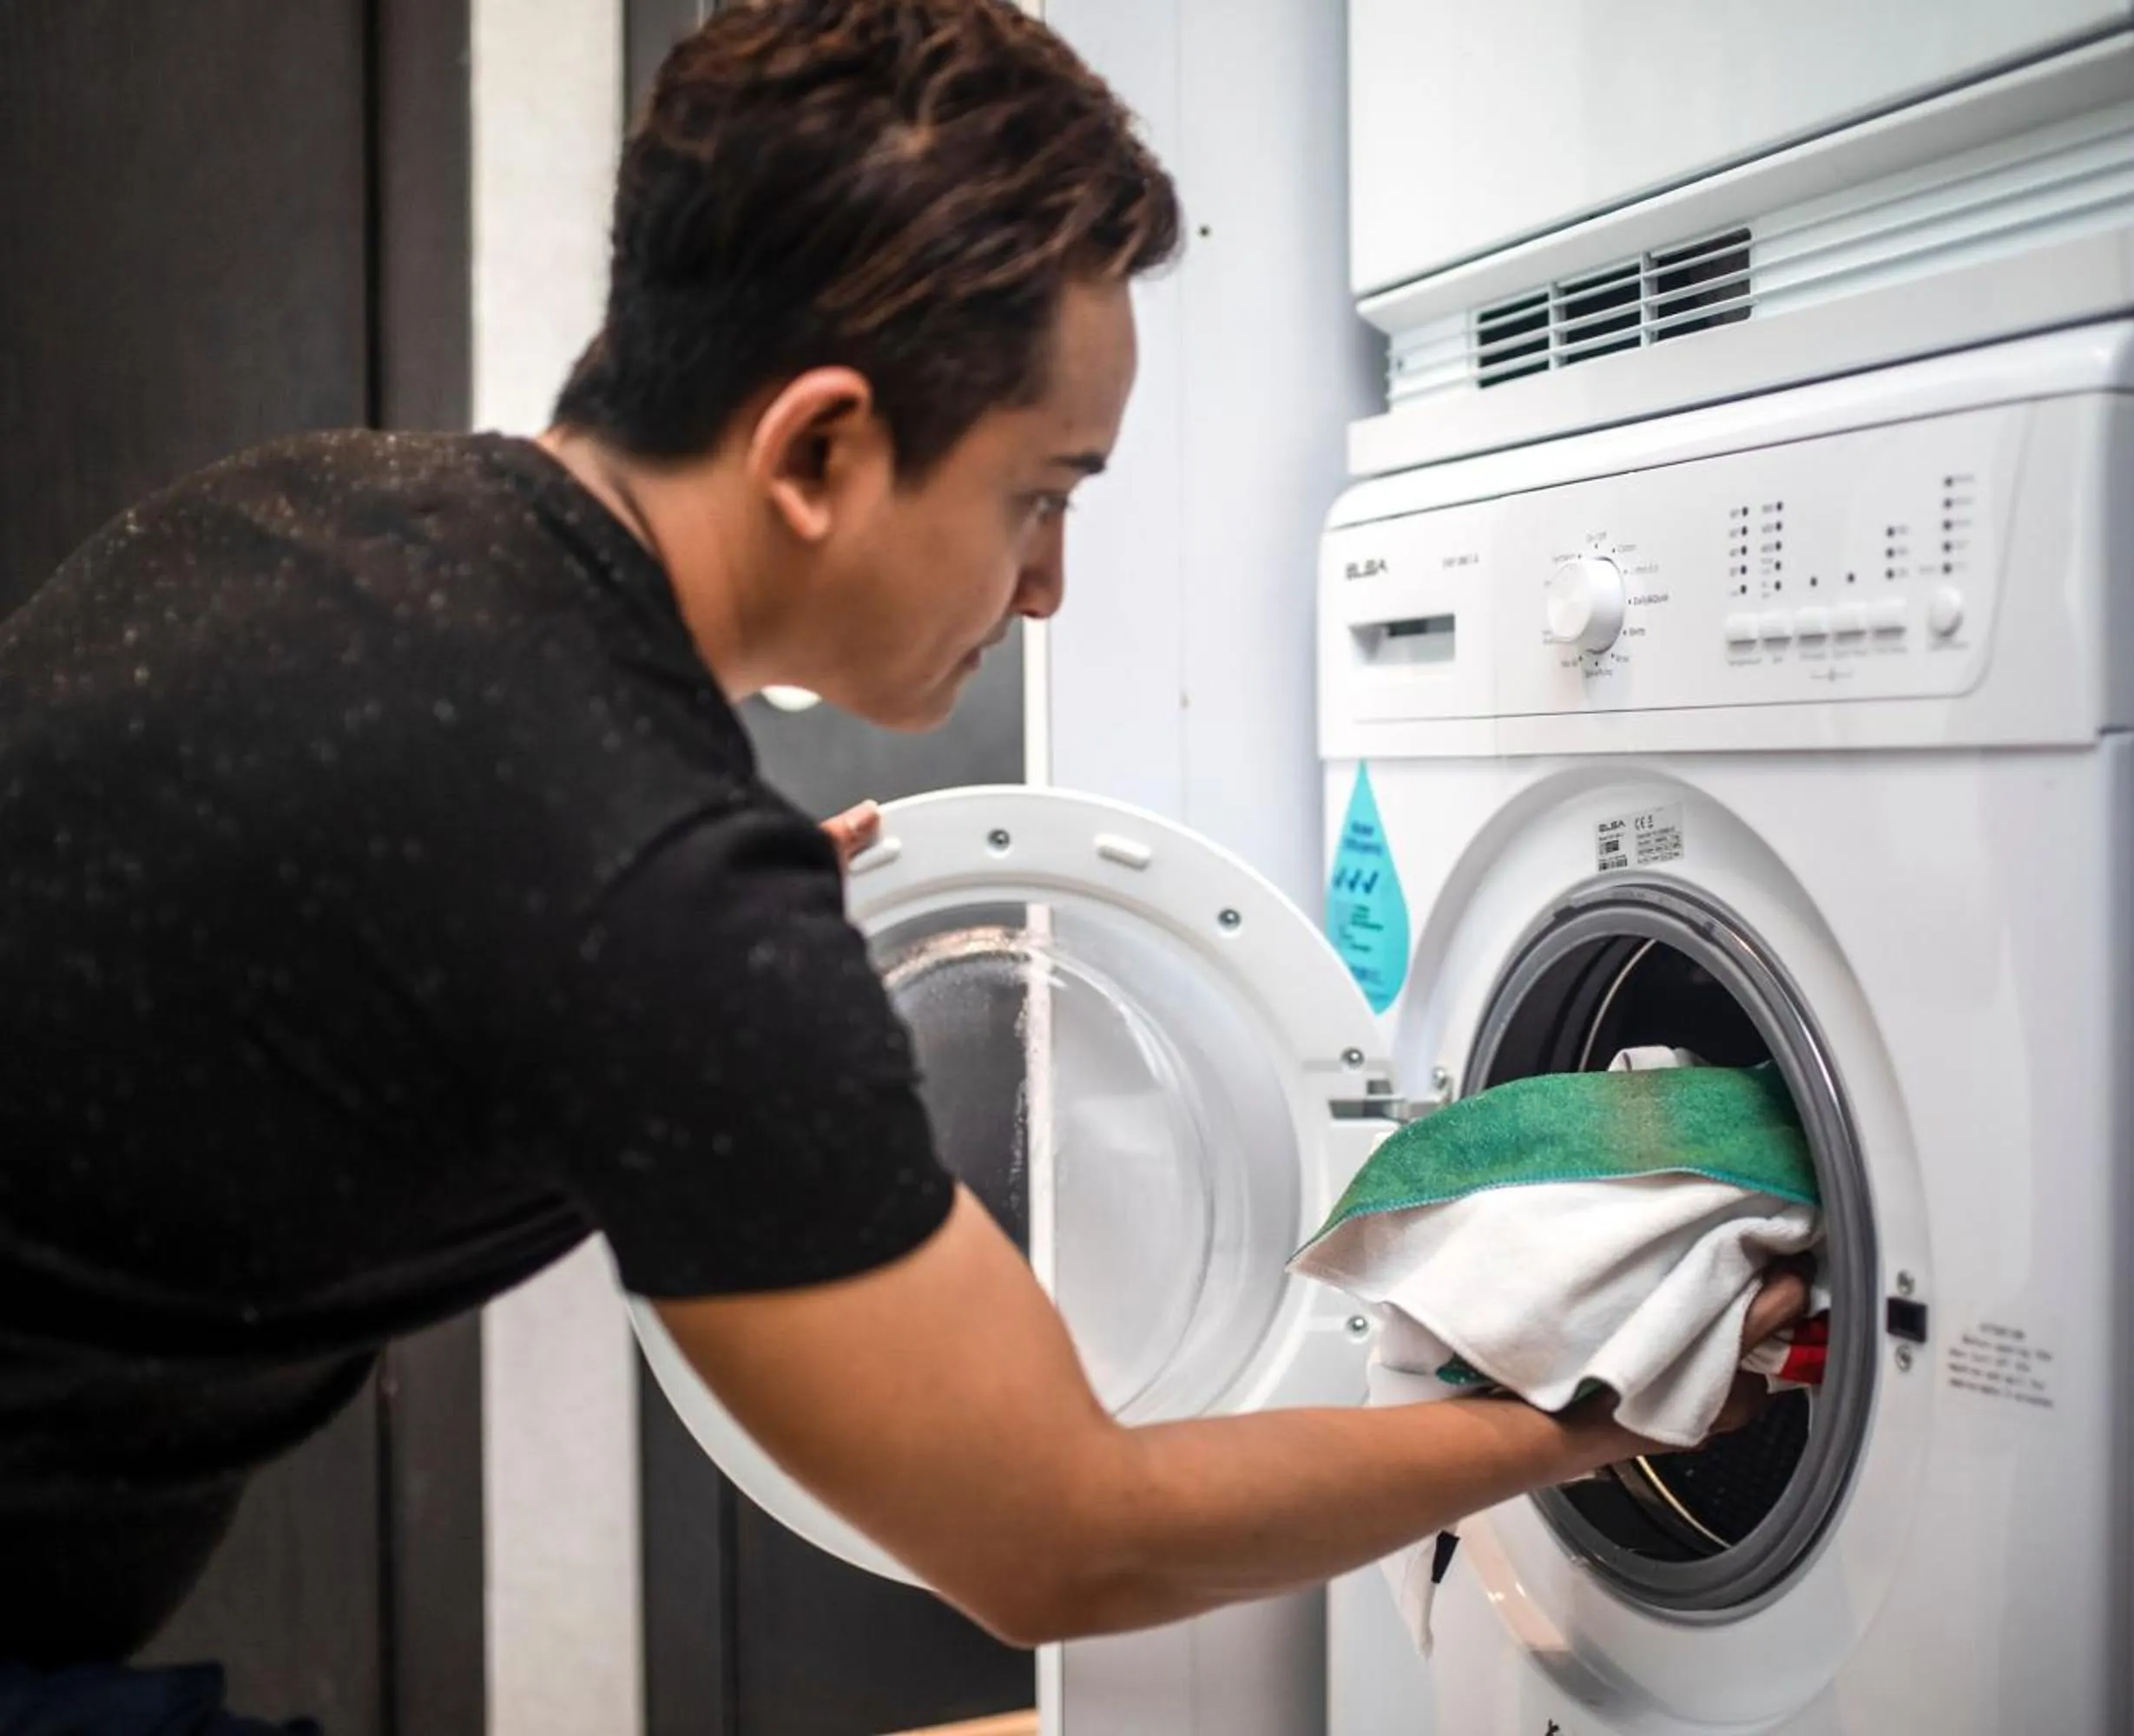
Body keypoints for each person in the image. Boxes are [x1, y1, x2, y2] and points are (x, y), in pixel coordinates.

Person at [0, 0, 1808, 1687]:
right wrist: (1590, 1419)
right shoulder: (630, 874)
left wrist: (715, 960)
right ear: (820, 452)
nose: (1045, 585)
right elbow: (1059, 1545)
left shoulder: (312, 516)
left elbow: (411, 1010)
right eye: (1037, 494)